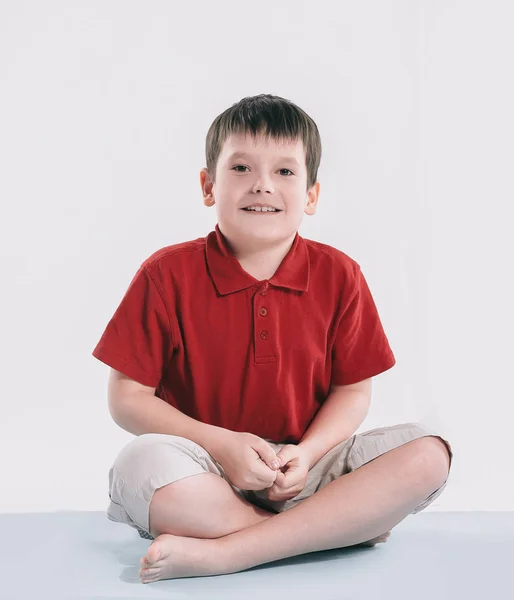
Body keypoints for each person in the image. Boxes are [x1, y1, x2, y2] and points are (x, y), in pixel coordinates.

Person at [92, 93, 453, 584]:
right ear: (207, 185)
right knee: (140, 467)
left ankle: (230, 552)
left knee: (430, 455)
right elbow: (127, 399)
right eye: (241, 167)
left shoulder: (341, 275)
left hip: (307, 469)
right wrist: (222, 447)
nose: (262, 184)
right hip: (205, 471)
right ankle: (334, 528)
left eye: (285, 172)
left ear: (311, 195)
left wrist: (305, 454)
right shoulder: (165, 275)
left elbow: (352, 392)